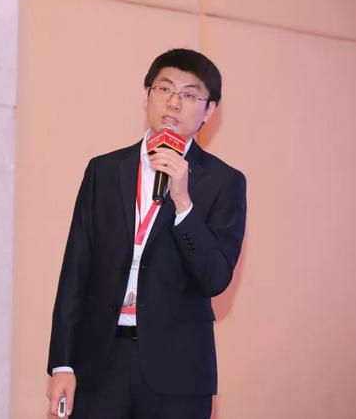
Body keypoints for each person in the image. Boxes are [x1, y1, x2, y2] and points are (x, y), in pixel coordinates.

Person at [46, 48, 247, 418]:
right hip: (100, 363)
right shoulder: (105, 171)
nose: (173, 102)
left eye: (189, 95)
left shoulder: (225, 182)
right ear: (147, 96)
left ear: (209, 110)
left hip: (178, 371)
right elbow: (75, 270)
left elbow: (216, 277)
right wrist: (62, 363)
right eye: (164, 89)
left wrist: (183, 203)